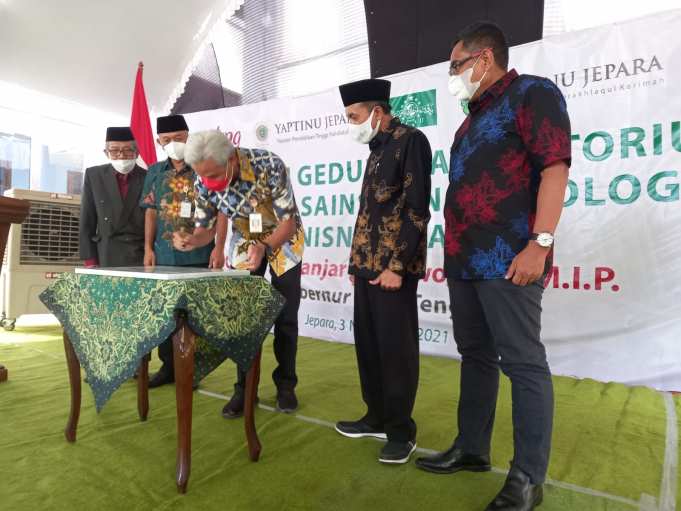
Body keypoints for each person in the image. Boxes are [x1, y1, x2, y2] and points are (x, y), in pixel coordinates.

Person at [414, 22, 571, 511]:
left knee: (522, 362)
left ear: (483, 60)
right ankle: (472, 448)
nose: (453, 74)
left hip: (510, 259)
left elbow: (555, 167)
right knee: (476, 356)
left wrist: (539, 244)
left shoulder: (532, 94)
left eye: (456, 65)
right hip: (464, 260)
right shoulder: (469, 120)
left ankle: (528, 477)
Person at [334, 78, 432, 464]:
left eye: (354, 116)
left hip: (393, 269)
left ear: (377, 112)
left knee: (396, 350)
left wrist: (397, 265)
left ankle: (400, 431)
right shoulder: (376, 149)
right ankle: (375, 416)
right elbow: (371, 213)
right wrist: (356, 262)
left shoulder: (411, 141)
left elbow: (416, 209)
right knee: (369, 346)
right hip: (366, 268)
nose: (351, 124)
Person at [172, 130, 304, 415]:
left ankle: (285, 386)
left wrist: (265, 247)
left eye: (213, 175)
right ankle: (244, 390)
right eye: (202, 176)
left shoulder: (268, 164)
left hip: (283, 238)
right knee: (241, 317)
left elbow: (288, 223)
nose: (208, 183)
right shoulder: (202, 178)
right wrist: (192, 240)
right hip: (244, 238)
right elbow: (205, 230)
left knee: (285, 316)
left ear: (231, 158)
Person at [139, 114, 227, 388]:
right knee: (166, 317)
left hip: (200, 254)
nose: (173, 144)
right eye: (167, 140)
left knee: (195, 317)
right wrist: (147, 249)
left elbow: (223, 209)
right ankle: (167, 368)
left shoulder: (205, 164)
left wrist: (220, 248)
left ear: (188, 137)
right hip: (163, 254)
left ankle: (191, 370)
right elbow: (150, 212)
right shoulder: (154, 171)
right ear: (158, 142)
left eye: (179, 138)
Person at [79, 127, 146, 268]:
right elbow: (87, 219)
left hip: (140, 254)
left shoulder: (148, 176)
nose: (121, 155)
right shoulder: (94, 175)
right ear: (106, 153)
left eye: (128, 150)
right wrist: (89, 260)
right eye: (114, 151)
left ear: (137, 152)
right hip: (105, 253)